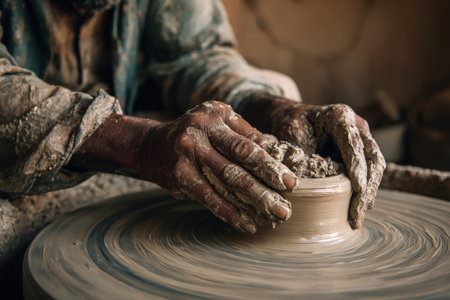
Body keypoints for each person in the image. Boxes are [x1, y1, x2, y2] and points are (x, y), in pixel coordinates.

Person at [0, 0, 385, 233]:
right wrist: (140, 144)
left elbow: (196, 55)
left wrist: (270, 106)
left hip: (130, 112)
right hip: (26, 142)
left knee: (278, 86)